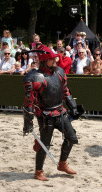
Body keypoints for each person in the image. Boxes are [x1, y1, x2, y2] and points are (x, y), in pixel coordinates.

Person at [23, 44, 81, 181]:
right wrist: (28, 122)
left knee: (72, 137)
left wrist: (73, 106)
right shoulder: (35, 77)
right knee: (45, 144)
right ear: (44, 61)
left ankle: (62, 164)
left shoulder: (60, 72)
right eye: (52, 59)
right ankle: (38, 172)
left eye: (55, 59)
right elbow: (29, 102)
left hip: (60, 112)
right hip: (45, 116)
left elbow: (65, 91)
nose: (55, 61)